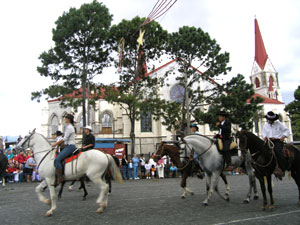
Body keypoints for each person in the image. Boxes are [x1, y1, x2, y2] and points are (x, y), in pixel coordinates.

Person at [262, 111, 290, 180]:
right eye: (269, 120)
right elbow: (264, 134)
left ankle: (282, 168)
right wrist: (265, 137)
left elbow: (287, 131)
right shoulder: (265, 125)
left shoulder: (279, 124)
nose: (270, 121)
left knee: (277, 151)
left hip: (277, 141)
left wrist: (283, 136)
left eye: (272, 120)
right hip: (269, 141)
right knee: (262, 151)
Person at [52, 114, 77, 185]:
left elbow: (65, 139)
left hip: (70, 146)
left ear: (68, 119)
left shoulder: (69, 127)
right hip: (67, 145)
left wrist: (56, 144)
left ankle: (60, 178)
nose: (64, 119)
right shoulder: (69, 127)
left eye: (65, 118)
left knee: (57, 160)